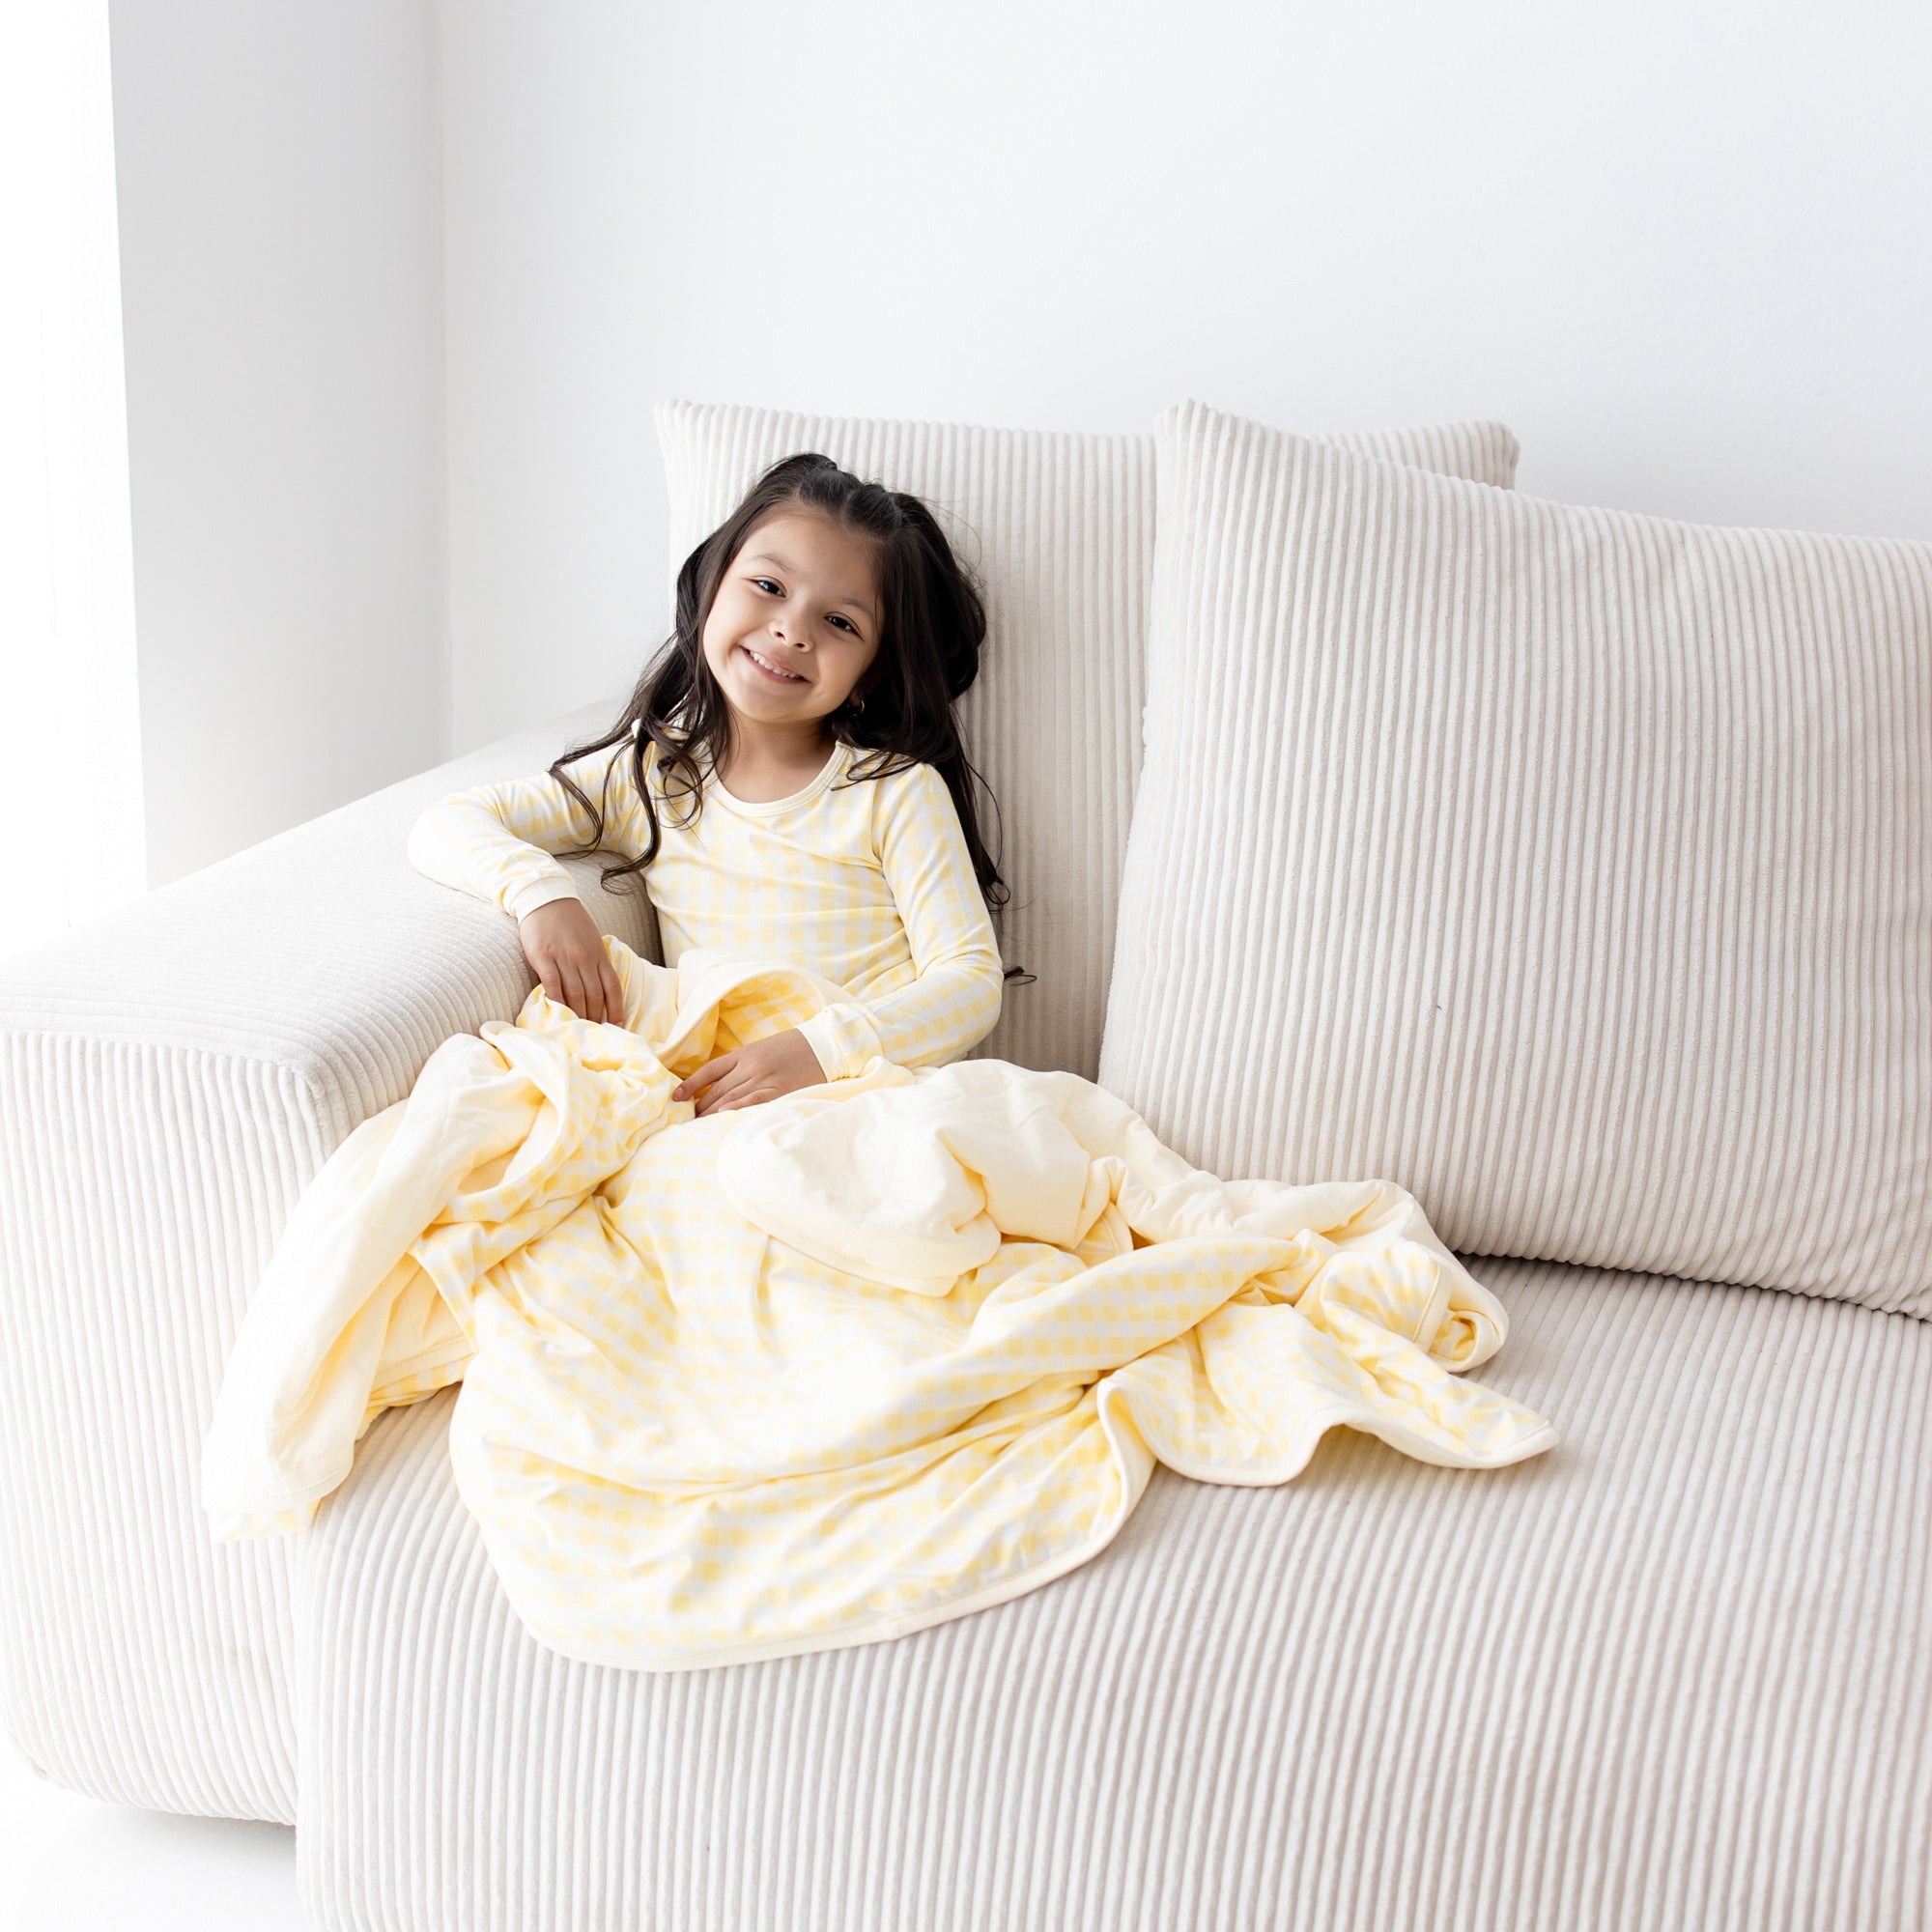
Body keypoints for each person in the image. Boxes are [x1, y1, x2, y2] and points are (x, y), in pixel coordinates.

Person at [406, 451, 1030, 1117]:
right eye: (769, 586)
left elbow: (969, 983)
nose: (792, 630)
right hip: (723, 1113)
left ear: (870, 676)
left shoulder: (894, 793)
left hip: (871, 1096)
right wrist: (540, 897)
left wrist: (820, 1050)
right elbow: (448, 821)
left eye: (840, 622)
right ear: (713, 585)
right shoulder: (650, 779)